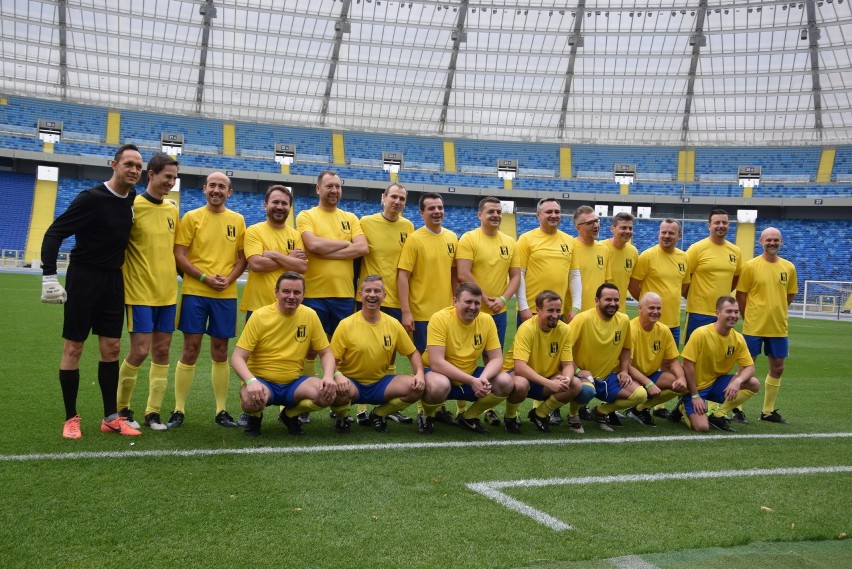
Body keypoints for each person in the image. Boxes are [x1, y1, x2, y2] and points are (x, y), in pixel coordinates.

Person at [40, 144, 144, 438]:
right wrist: (49, 275)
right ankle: (70, 417)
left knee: (111, 348)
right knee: (74, 348)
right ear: (114, 165)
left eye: (138, 166)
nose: (134, 170)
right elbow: (55, 232)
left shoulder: (131, 197)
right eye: (129, 164)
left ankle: (111, 417)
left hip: (114, 281)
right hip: (84, 278)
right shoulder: (91, 198)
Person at [169, 171, 247, 429]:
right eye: (212, 185)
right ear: (204, 189)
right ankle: (178, 410)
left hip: (224, 295)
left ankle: (221, 411)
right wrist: (204, 278)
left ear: (229, 192)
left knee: (221, 351)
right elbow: (179, 255)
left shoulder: (238, 220)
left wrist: (230, 279)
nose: (217, 190)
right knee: (190, 349)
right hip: (195, 292)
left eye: (222, 186)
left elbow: (241, 259)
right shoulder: (191, 217)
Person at [230, 272, 340, 436]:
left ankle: (289, 415)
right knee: (249, 401)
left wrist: (329, 376)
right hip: (263, 382)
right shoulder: (260, 316)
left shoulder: (310, 315)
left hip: (293, 383)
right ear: (276, 292)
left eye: (297, 292)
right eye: (286, 291)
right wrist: (251, 381)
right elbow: (237, 357)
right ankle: (255, 416)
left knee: (327, 395)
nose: (291, 296)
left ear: (304, 294)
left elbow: (326, 353)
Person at [116, 152, 180, 431]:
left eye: (174, 179)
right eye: (167, 177)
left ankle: (152, 413)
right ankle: (121, 409)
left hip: (167, 292)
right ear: (151, 175)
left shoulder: (172, 209)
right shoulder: (132, 206)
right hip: (140, 292)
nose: (171, 182)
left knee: (162, 351)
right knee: (140, 351)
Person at [352, 182, 415, 426]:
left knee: (389, 354)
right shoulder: (365, 222)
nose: (397, 202)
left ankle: (385, 406)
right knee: (364, 351)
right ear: (383, 197)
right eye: (393, 197)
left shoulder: (408, 226)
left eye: (401, 198)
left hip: (396, 299)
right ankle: (359, 406)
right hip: (368, 298)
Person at [329, 275, 426, 433]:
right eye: (368, 291)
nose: (372, 294)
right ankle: (342, 417)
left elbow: (413, 353)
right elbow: (331, 359)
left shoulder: (393, 324)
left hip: (380, 384)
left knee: (417, 388)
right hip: (351, 384)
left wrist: (420, 373)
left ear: (384, 296)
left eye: (377, 291)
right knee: (334, 390)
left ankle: (379, 414)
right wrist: (338, 375)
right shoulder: (346, 324)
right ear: (360, 295)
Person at [418, 282, 513, 435]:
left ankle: (468, 417)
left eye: (477, 303)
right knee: (438, 385)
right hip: (441, 375)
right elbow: (436, 363)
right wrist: (472, 381)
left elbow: (496, 358)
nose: (473, 307)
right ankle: (427, 415)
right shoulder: (440, 318)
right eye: (468, 302)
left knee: (506, 381)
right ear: (455, 301)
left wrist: (483, 379)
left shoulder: (486, 320)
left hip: (471, 374)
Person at [504, 290, 592, 434]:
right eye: (550, 310)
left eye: (558, 310)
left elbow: (568, 365)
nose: (555, 315)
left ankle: (540, 414)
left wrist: (566, 379)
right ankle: (510, 417)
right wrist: (550, 383)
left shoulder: (564, 329)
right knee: (521, 384)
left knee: (575, 384)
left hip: (546, 377)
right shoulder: (526, 329)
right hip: (520, 376)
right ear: (538, 310)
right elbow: (520, 368)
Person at [735, 227, 798, 424]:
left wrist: (776, 310)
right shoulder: (750, 266)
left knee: (778, 368)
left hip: (778, 327)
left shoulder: (788, 268)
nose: (772, 243)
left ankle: (768, 411)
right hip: (753, 326)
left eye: (776, 240)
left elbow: (789, 295)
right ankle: (737, 408)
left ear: (781, 242)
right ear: (760, 241)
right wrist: (749, 317)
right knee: (747, 367)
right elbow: (741, 296)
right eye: (768, 239)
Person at [296, 170, 367, 338]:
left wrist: (325, 253)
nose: (334, 190)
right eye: (329, 186)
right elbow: (313, 244)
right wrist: (345, 243)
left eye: (338, 186)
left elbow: (362, 248)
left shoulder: (350, 218)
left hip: (344, 294)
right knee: (310, 347)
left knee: (341, 347)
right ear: (318, 189)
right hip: (314, 293)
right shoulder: (306, 215)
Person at [568, 283, 645, 432]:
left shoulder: (623, 320)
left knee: (640, 395)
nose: (613, 303)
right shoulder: (582, 319)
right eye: (608, 299)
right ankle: (573, 415)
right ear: (597, 300)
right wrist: (577, 371)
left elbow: (626, 348)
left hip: (607, 377)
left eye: (616, 300)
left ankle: (600, 412)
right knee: (587, 391)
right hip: (584, 376)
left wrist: (624, 371)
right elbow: (563, 349)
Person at [680, 296, 759, 433]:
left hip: (716, 384)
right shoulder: (701, 333)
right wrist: (694, 395)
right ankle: (682, 407)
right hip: (695, 387)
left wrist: (738, 381)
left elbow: (749, 367)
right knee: (702, 428)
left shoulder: (738, 339)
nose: (733, 316)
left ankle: (718, 415)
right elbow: (687, 365)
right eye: (728, 311)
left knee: (753, 383)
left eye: (736, 312)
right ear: (717, 313)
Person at [397, 192, 459, 353]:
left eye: (440, 207)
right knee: (425, 360)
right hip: (422, 314)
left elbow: (454, 274)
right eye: (431, 208)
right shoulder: (414, 239)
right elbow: (403, 276)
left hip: (447, 312)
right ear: (421, 213)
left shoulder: (452, 238)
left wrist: (456, 303)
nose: (437, 211)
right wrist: (406, 312)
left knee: (448, 358)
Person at [456, 196, 521, 347]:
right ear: (480, 215)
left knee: (494, 354)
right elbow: (463, 273)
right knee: (462, 354)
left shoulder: (510, 242)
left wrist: (503, 300)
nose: (496, 215)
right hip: (470, 308)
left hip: (499, 310)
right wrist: (484, 298)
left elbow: (516, 277)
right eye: (490, 211)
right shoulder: (469, 239)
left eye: (499, 212)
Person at [240, 185, 307, 319]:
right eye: (275, 202)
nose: (280, 207)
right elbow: (256, 264)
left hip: (288, 308)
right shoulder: (254, 231)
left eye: (284, 203)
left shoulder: (296, 235)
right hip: (258, 307)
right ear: (266, 205)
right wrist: (289, 259)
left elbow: (301, 266)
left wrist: (274, 255)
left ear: (290, 207)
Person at [623, 292, 688, 427]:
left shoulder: (663, 330)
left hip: (651, 374)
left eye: (658, 308)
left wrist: (681, 378)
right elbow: (626, 366)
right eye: (651, 308)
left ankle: (639, 409)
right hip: (629, 375)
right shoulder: (630, 329)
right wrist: (648, 384)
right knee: (638, 391)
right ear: (640, 308)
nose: (655, 312)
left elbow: (673, 361)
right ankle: (604, 411)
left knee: (681, 384)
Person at [516, 198, 581, 324]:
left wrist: (576, 307)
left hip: (557, 311)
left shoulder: (569, 240)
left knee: (555, 344)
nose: (554, 215)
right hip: (533, 310)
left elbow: (574, 275)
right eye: (549, 212)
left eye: (557, 212)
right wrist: (524, 308)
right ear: (538, 215)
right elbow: (519, 274)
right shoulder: (526, 239)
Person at [629, 218, 690, 346]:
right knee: (647, 363)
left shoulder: (684, 258)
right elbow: (633, 285)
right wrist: (647, 302)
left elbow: (683, 286)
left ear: (679, 236)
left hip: (673, 324)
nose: (666, 236)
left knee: (669, 363)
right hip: (650, 324)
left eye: (671, 233)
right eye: (663, 232)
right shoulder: (647, 256)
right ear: (659, 234)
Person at [684, 209, 743, 343]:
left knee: (718, 355)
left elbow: (735, 278)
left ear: (729, 225)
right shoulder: (696, 248)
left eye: (724, 222)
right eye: (717, 222)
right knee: (694, 356)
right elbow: (685, 278)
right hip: (699, 313)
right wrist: (694, 297)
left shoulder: (735, 251)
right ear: (709, 225)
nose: (721, 225)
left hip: (724, 313)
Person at [571, 205, 611, 312]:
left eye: (596, 221)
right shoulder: (570, 247)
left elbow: (605, 284)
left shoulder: (604, 249)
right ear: (578, 227)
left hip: (596, 315)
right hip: (573, 314)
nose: (596, 225)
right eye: (590, 223)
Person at [604, 212, 639, 313]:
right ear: (612, 229)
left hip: (620, 311)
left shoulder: (633, 252)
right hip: (599, 310)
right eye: (623, 228)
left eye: (630, 228)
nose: (627, 231)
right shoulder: (601, 248)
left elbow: (632, 284)